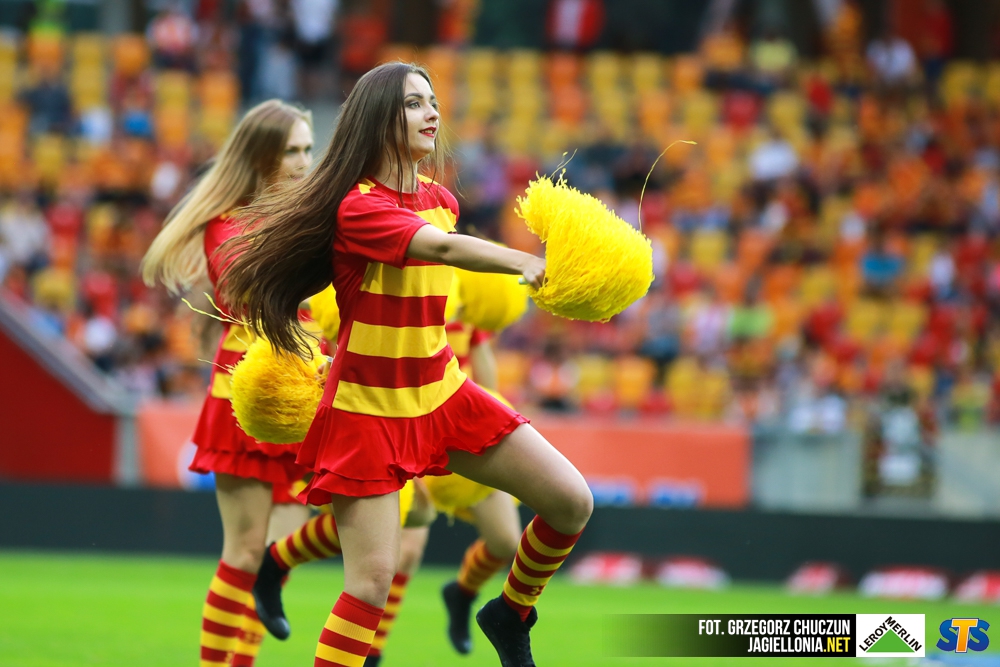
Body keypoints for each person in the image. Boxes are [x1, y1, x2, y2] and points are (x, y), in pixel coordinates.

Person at [218, 62, 593, 667]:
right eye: (414, 103)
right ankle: (278, 566)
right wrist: (523, 262)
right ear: (378, 119)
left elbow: (442, 253)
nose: (431, 112)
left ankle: (510, 612)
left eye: (433, 100)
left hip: (443, 395)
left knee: (572, 501)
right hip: (368, 413)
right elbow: (439, 246)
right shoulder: (357, 207)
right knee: (370, 585)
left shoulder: (441, 199)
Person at [140, 100, 315, 667]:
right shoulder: (229, 224)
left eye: (309, 149)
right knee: (242, 554)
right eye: (292, 151)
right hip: (245, 398)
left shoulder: (310, 215)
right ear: (260, 157)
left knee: (275, 560)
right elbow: (254, 292)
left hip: (302, 398)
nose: (305, 162)